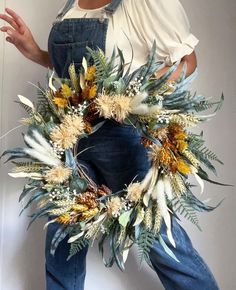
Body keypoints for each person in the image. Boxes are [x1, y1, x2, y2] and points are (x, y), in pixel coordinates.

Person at [0, 1, 220, 289]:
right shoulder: (71, 5)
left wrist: (135, 95)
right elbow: (78, 74)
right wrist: (36, 52)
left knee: (158, 239)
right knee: (61, 239)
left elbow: (187, 61)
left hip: (124, 138)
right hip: (70, 137)